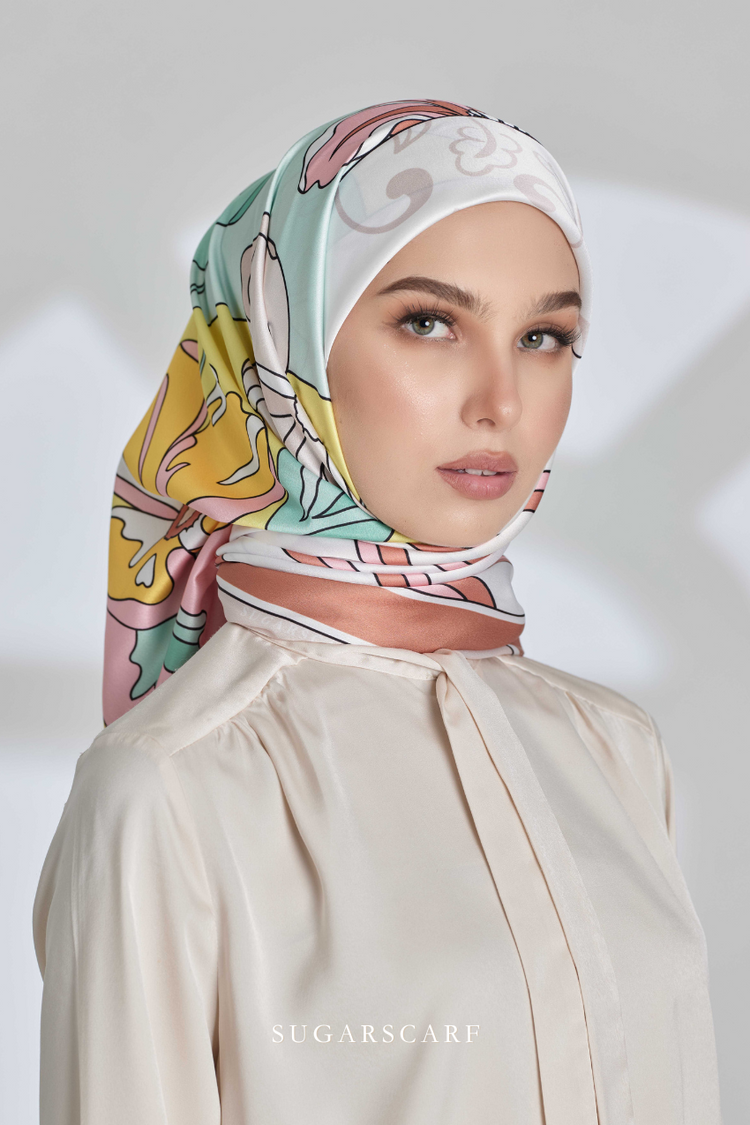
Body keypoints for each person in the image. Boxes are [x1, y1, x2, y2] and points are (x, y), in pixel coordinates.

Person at [32, 99, 722, 1124]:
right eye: (429, 323)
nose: (501, 400)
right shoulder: (168, 785)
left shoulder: (612, 748)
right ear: (286, 341)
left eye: (543, 336)